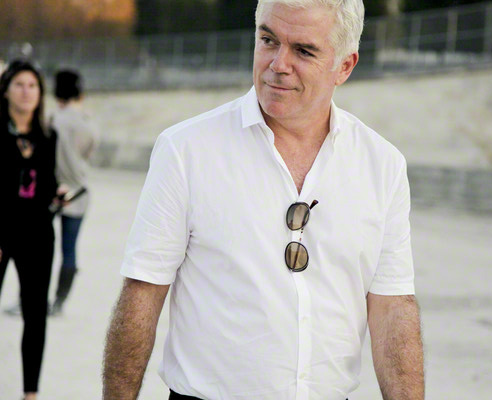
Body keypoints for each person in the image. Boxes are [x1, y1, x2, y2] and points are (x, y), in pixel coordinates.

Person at [103, 0, 424, 399]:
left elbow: (394, 307)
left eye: (303, 50)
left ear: (345, 66)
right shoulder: (186, 150)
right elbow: (142, 293)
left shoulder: (383, 164)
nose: (278, 64)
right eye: (268, 40)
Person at [0, 60, 67, 400]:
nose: (27, 92)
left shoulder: (49, 136)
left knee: (36, 315)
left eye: (33, 86)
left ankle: (30, 394)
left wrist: (57, 194)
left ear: (40, 94)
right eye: (19, 85)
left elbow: (47, 182)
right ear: (6, 91)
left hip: (38, 235)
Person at [48, 69, 99, 316]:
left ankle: (30, 297)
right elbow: (88, 154)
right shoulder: (89, 124)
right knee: (69, 250)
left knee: (37, 249)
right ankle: (59, 302)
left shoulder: (53, 120)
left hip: (53, 190)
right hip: (79, 193)